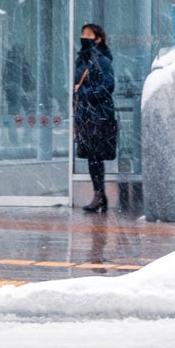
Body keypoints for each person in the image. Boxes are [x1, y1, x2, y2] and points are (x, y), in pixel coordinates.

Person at [74, 22, 118, 213]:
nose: (84, 37)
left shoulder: (102, 61)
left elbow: (108, 85)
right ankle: (99, 194)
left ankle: (99, 195)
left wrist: (84, 92)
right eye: (82, 33)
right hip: (86, 114)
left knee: (95, 157)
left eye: (88, 34)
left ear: (98, 39)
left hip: (98, 116)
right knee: (93, 158)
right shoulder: (83, 60)